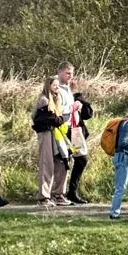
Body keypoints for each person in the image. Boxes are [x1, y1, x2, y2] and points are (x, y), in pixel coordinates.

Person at [34, 65, 74, 204]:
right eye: (54, 85)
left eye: (58, 85)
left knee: (63, 161)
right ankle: (43, 196)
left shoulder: (57, 99)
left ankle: (58, 193)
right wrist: (64, 117)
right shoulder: (44, 100)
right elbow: (51, 119)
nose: (57, 87)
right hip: (46, 133)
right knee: (47, 164)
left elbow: (58, 119)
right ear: (48, 85)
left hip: (58, 133)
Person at [65, 92, 91, 205]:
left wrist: (82, 102)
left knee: (81, 160)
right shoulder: (61, 94)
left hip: (75, 133)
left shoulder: (76, 97)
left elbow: (88, 114)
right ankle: (65, 192)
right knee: (77, 160)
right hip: (66, 132)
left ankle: (70, 192)